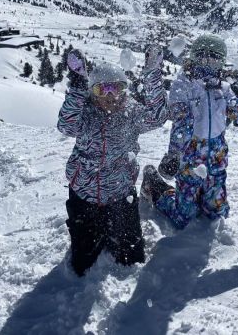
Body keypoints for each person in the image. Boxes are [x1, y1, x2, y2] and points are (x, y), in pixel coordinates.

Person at [141, 34, 238, 230]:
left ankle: (200, 196)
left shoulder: (223, 90)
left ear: (221, 62)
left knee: (217, 214)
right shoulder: (182, 86)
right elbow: (182, 124)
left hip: (216, 160)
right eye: (203, 56)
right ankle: (154, 183)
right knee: (182, 217)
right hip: (190, 159)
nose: (208, 63)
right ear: (193, 58)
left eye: (214, 58)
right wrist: (174, 154)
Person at [57, 46, 166, 276]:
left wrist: (152, 74)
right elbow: (65, 126)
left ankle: (111, 230)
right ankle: (91, 233)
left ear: (124, 91)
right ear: (92, 92)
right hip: (84, 196)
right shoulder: (84, 113)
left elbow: (157, 116)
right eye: (101, 90)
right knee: (81, 265)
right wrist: (77, 87)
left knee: (132, 257)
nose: (109, 96)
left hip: (120, 196)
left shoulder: (132, 113)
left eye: (116, 89)